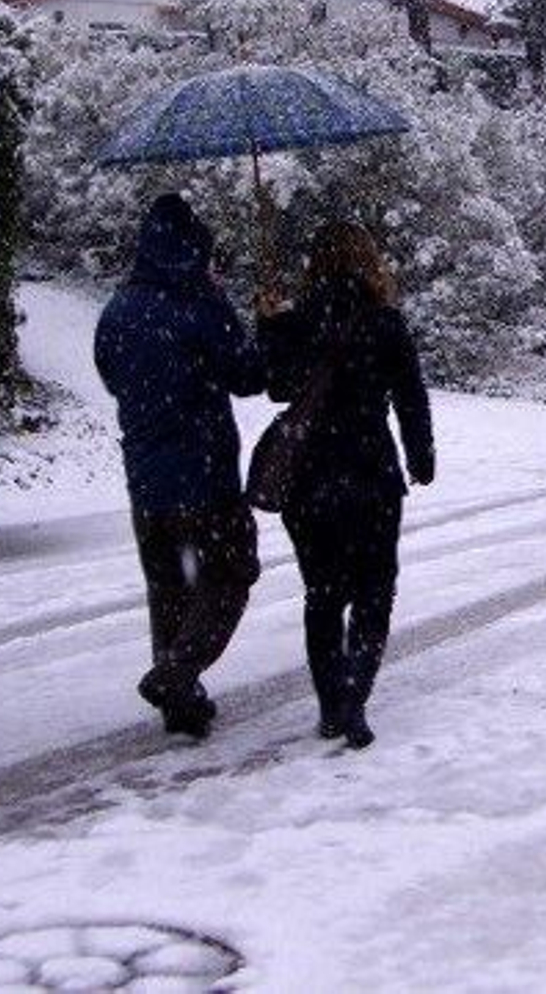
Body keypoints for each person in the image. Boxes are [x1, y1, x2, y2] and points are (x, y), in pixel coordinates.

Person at [257, 221, 434, 749]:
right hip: (370, 471)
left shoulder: (296, 321)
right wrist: (420, 457)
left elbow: (278, 389)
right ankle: (355, 696)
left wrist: (269, 325)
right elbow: (410, 396)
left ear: (315, 264)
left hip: (310, 477)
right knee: (375, 589)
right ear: (369, 262)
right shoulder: (386, 323)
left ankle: (331, 702)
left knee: (323, 595)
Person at [94, 194, 264, 739]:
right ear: (195, 249)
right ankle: (176, 672)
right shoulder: (201, 305)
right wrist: (263, 325)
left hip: (146, 476)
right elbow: (247, 377)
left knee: (167, 586)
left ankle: (181, 703)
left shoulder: (118, 310)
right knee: (231, 572)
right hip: (206, 470)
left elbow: (112, 377)